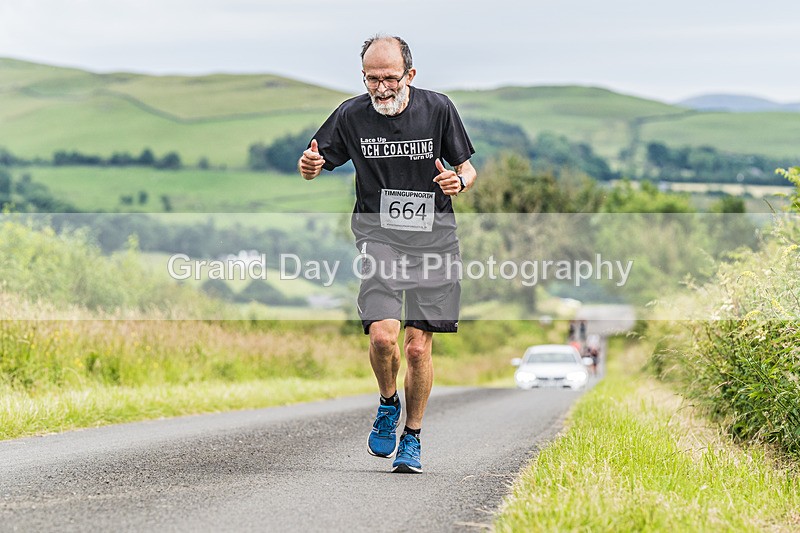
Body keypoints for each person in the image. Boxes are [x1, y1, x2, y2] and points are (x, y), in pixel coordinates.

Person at [298, 34, 477, 473]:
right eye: (372, 78)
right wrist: (310, 167)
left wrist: (459, 182)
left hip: (435, 241)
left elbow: (467, 168)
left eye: (390, 78)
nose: (381, 88)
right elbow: (316, 162)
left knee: (416, 349)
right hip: (379, 236)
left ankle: (412, 437)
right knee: (382, 337)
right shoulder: (351, 115)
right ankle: (387, 402)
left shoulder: (438, 109)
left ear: (409, 74)